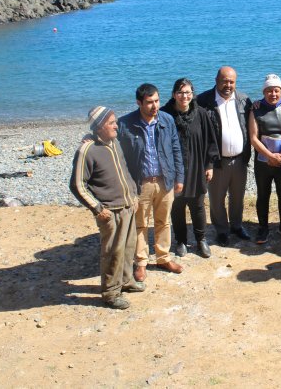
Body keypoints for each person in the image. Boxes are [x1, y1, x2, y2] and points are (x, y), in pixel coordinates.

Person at [70, 106, 143, 309]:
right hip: (110, 211)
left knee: (128, 248)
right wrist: (97, 208)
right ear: (100, 126)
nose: (116, 126)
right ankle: (111, 293)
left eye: (115, 122)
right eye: (111, 123)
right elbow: (77, 185)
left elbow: (125, 170)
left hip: (128, 206)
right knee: (113, 252)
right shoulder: (87, 150)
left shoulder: (114, 143)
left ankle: (126, 281)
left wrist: (134, 195)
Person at [117, 84, 184, 282]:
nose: (155, 106)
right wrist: (90, 137)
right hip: (141, 183)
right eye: (149, 102)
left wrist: (179, 177)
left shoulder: (166, 120)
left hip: (165, 180)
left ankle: (163, 258)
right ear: (139, 103)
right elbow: (114, 148)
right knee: (140, 225)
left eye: (157, 101)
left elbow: (176, 149)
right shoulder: (125, 124)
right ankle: (141, 262)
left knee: (164, 222)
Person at [160, 78, 220, 258]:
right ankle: (181, 241)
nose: (184, 96)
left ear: (192, 94)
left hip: (197, 166)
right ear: (173, 94)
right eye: (180, 92)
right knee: (177, 206)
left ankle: (201, 239)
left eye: (187, 92)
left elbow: (211, 140)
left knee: (198, 205)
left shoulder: (201, 113)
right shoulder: (165, 114)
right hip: (174, 168)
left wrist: (209, 165)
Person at [197, 66, 253, 246]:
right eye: (224, 81)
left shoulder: (244, 100)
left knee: (237, 196)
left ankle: (236, 226)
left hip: (239, 159)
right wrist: (207, 162)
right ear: (216, 80)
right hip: (216, 162)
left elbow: (251, 127)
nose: (228, 85)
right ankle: (221, 230)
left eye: (232, 81)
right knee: (216, 198)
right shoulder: (203, 101)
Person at [249, 74, 281, 244]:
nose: (273, 94)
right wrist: (270, 156)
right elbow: (253, 138)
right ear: (264, 91)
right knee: (263, 195)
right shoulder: (256, 110)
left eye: (276, 90)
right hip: (263, 162)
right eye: (269, 90)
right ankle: (263, 227)